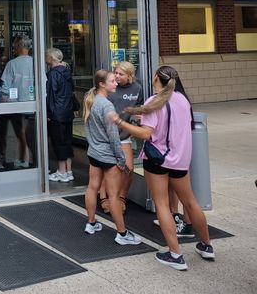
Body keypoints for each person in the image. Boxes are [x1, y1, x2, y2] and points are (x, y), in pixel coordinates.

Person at [117, 65, 215, 270]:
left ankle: (175, 255)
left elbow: (145, 134)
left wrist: (121, 122)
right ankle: (206, 245)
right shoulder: (183, 99)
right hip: (180, 160)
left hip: (157, 159)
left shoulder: (155, 101)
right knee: (190, 202)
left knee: (162, 205)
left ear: (156, 79)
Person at [82, 69, 142, 246]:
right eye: (112, 81)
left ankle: (91, 223)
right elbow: (114, 136)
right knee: (114, 196)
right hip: (108, 155)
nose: (116, 83)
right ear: (102, 84)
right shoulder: (106, 105)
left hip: (94, 153)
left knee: (92, 188)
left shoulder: (90, 99)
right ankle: (122, 234)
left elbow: (88, 130)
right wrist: (121, 159)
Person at [99, 61, 143, 211]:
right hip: (106, 135)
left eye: (121, 74)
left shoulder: (137, 88)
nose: (117, 76)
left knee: (128, 169)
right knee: (108, 168)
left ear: (130, 76)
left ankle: (121, 197)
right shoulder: (110, 86)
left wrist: (135, 122)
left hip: (124, 135)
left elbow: (139, 106)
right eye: (115, 73)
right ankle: (103, 197)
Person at [0, 36, 34, 168]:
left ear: (19, 46)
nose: (13, 48)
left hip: (15, 105)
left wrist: (4, 100)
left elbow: (6, 86)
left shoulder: (12, 64)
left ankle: (22, 158)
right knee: (29, 134)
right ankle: (29, 159)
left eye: (14, 45)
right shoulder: (35, 63)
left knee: (19, 134)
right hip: (32, 103)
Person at [45, 47, 75, 183]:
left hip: (57, 113)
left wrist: (49, 114)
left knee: (59, 143)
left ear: (51, 58)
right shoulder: (67, 72)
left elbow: (51, 96)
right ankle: (69, 171)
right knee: (67, 142)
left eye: (46, 56)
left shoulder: (53, 74)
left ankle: (61, 172)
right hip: (68, 112)